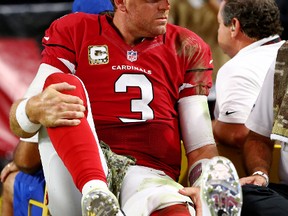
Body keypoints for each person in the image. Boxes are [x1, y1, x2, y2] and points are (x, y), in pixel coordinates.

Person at [9, 0, 242, 215]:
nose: (165, 6)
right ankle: (97, 194)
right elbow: (21, 125)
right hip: (81, 176)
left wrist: (203, 183)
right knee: (63, 89)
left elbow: (201, 146)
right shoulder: (75, 30)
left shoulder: (187, 46)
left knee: (174, 206)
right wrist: (31, 109)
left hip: (148, 176)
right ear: (120, 2)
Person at [213, 0, 284, 149]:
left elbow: (238, 134)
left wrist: (204, 128)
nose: (218, 31)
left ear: (234, 25)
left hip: (269, 169)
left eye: (219, 24)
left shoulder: (238, 69)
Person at [239, 41, 288, 215]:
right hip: (283, 197)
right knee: (240, 195)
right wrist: (260, 174)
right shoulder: (284, 58)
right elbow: (257, 138)